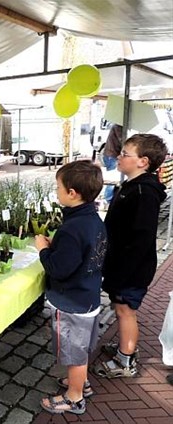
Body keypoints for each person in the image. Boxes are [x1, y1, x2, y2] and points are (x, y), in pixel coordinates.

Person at [34, 160, 106, 415]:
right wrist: (60, 245)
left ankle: (74, 397)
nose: (56, 191)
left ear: (72, 193)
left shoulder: (73, 228)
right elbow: (84, 253)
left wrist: (44, 249)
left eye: (58, 187)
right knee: (81, 347)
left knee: (74, 351)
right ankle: (81, 383)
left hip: (72, 302)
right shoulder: (92, 219)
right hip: (88, 296)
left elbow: (58, 269)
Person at [93, 134, 168, 378]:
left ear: (143, 161)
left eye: (125, 154)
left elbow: (141, 239)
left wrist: (122, 272)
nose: (118, 157)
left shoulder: (144, 193)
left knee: (126, 312)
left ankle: (125, 360)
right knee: (120, 308)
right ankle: (127, 346)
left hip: (130, 269)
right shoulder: (132, 186)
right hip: (121, 265)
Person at [102, 124, 123, 202]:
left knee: (113, 177)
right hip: (112, 155)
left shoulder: (117, 126)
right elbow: (123, 140)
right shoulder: (118, 126)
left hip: (111, 154)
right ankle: (108, 199)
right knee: (112, 178)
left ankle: (109, 198)